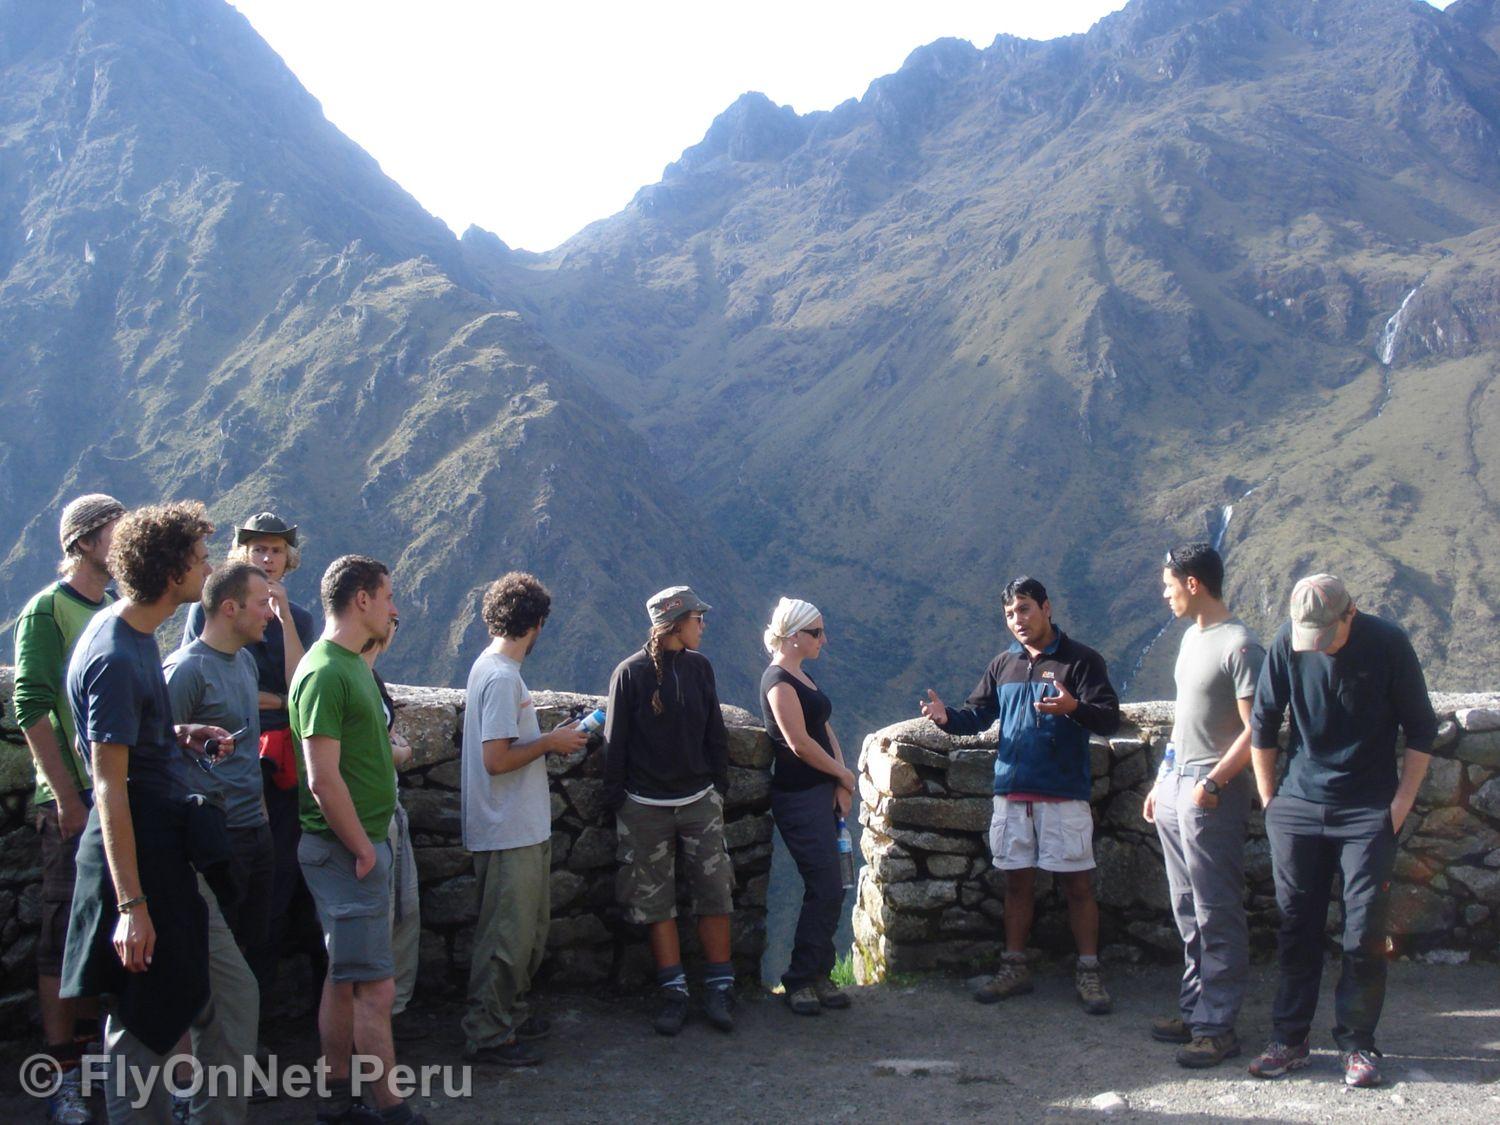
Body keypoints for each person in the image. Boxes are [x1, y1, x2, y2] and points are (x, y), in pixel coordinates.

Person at [61, 501, 239, 1123]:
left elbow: (126, 743)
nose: (208, 568)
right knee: (142, 1019)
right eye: (199, 559)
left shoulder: (128, 631)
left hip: (156, 845)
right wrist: (132, 908)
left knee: (190, 1001)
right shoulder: (116, 654)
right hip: (137, 859)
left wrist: (176, 731)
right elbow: (109, 788)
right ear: (171, 574)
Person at [1248, 574, 1441, 1090]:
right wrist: (1272, 803)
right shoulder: (1287, 643)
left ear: (1350, 614)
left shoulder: (1388, 643)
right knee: (1296, 927)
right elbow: (1263, 722)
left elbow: (1422, 727)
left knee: (1364, 934)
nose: (1316, 644)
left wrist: (1397, 808)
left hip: (1367, 811)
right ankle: (1289, 1040)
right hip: (1298, 805)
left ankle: (1358, 1044)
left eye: (1325, 633)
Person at [920, 576, 1121, 1014]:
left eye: (1025, 609)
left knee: (1078, 884)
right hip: (1012, 789)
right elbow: (978, 716)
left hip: (1063, 790)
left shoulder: (1081, 661)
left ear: (1046, 607)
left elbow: (1108, 719)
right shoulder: (1003, 665)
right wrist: (945, 719)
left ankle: (1089, 972)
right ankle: (1014, 967)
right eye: (1010, 613)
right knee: (1016, 883)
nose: (1018, 620)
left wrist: (1075, 709)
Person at [290, 554, 424, 1124]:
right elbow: (322, 778)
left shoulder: (350, 666)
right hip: (349, 850)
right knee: (375, 987)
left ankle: (337, 1099)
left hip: (357, 846)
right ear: (361, 599)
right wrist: (366, 848)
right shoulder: (326, 672)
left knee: (345, 978)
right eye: (388, 596)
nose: (395, 609)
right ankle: (388, 1107)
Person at [12, 493, 124, 1125]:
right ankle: (62, 1078)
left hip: (110, 796)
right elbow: (30, 706)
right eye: (114, 529)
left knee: (98, 939)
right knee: (59, 940)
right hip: (74, 804)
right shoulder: (46, 610)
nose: (124, 536)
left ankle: (93, 1066)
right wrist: (64, 797)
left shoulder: (111, 609)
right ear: (83, 541)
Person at [184, 510, 319, 1011]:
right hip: (226, 763)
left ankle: (256, 1008)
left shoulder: (298, 618)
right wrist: (274, 702)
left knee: (278, 876)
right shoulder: (211, 608)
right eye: (258, 549)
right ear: (243, 554)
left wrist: (283, 621)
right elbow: (204, 677)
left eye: (276, 550)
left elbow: (299, 685)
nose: (267, 557)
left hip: (282, 768)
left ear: (289, 558)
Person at [1142, 544, 1264, 1068]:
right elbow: (1184, 720)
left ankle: (1218, 1027)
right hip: (1177, 786)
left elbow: (1260, 725)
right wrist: (1161, 780)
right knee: (1186, 907)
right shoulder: (1193, 638)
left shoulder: (1239, 646)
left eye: (1169, 585)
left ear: (1193, 584)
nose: (1164, 594)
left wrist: (1212, 782)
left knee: (1216, 910)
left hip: (1210, 792)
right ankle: (1195, 1010)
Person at [459, 573, 589, 1066]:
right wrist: (552, 743)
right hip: (506, 828)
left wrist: (546, 739)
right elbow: (496, 759)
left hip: (522, 826)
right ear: (536, 623)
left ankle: (509, 1012)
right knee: (505, 938)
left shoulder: (497, 670)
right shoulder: (500, 677)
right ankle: (488, 1032)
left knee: (526, 933)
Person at [162, 562, 276, 1119]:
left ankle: (234, 1075)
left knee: (249, 955)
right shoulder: (185, 672)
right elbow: (153, 755)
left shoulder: (247, 664)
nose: (269, 613)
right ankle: (195, 1091)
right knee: (210, 966)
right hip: (213, 839)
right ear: (229, 608)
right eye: (260, 603)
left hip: (254, 830)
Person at [602, 585, 735, 1036]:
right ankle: (674, 990)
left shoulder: (700, 668)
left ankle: (719, 986)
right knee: (656, 903)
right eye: (699, 618)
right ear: (678, 623)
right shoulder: (630, 674)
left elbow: (714, 730)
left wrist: (719, 786)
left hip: (699, 801)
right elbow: (615, 743)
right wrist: (618, 801)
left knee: (714, 891)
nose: (703, 626)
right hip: (645, 808)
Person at [760, 597, 856, 1016]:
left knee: (832, 885)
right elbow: (799, 744)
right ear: (795, 636)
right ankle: (800, 978)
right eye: (816, 632)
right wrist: (845, 776)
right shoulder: (778, 681)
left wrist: (840, 778)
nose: (823, 639)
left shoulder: (800, 676)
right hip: (798, 798)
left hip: (821, 793)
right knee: (825, 885)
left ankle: (818, 973)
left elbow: (823, 728)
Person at [359, 619, 421, 1041]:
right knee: (380, 925)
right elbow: (381, 749)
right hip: (370, 825)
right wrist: (397, 753)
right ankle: (371, 1032)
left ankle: (389, 1021)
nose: (395, 622)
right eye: (393, 616)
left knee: (404, 915)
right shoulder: (345, 677)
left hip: (390, 812)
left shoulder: (370, 678)